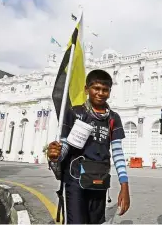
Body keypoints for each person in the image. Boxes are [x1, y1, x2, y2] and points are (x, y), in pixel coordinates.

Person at [47, 69, 130, 224]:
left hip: (99, 179)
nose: (100, 93)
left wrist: (124, 186)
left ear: (110, 92)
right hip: (74, 179)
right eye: (96, 88)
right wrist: (55, 155)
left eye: (105, 90)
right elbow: (65, 144)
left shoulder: (113, 118)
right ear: (87, 89)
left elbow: (118, 153)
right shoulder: (75, 112)